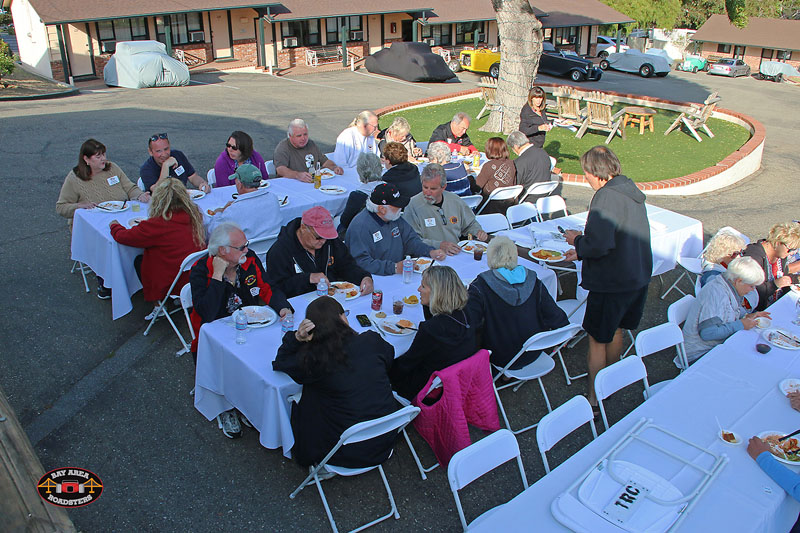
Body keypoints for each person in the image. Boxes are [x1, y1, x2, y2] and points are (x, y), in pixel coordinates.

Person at [563, 146, 652, 413]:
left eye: (586, 173)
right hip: (636, 276)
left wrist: (577, 240)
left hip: (612, 282)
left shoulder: (605, 197)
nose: (586, 179)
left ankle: (593, 395)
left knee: (597, 337)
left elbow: (601, 244)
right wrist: (582, 247)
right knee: (616, 330)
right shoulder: (630, 191)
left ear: (595, 173)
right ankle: (611, 383)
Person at [190, 223, 292, 438]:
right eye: (241, 247)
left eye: (246, 245)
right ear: (222, 251)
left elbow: (266, 287)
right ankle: (224, 407)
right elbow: (207, 313)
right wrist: (218, 276)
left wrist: (283, 307)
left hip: (249, 326)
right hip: (214, 336)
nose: (247, 250)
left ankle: (247, 403)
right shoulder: (200, 271)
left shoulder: (249, 260)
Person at [273, 296, 399, 468]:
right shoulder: (371, 340)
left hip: (344, 452)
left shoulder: (314, 360)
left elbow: (280, 362)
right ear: (341, 317)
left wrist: (296, 338)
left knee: (304, 398)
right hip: (386, 439)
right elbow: (389, 358)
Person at [56, 139, 150, 299]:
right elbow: (61, 207)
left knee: (140, 233)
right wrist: (79, 205)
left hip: (121, 215)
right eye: (98, 156)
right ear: (86, 159)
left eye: (104, 154)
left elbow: (130, 187)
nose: (103, 159)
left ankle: (138, 275)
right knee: (110, 241)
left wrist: (140, 195)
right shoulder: (75, 178)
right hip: (92, 225)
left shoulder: (112, 168)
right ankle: (106, 281)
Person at [465, 236, 568, 369]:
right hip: (534, 350)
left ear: (489, 257)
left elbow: (470, 324)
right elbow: (553, 313)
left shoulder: (480, 286)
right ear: (515, 255)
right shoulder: (532, 278)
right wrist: (564, 331)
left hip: (499, 356)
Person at [109, 179, 205, 311]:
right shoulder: (195, 214)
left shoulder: (158, 224)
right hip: (196, 274)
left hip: (171, 279)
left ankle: (159, 304)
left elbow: (123, 237)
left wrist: (114, 225)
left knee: (139, 260)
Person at [390, 266, 477, 400]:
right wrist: (429, 304)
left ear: (436, 293)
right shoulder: (466, 313)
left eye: (423, 286)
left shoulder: (431, 329)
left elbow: (406, 365)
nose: (419, 289)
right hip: (454, 380)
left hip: (423, 387)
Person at [267, 206, 374, 298]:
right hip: (300, 302)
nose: (323, 241)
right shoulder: (279, 251)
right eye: (318, 237)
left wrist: (363, 277)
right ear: (303, 228)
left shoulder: (331, 242)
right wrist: (308, 278)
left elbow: (347, 265)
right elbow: (276, 288)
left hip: (333, 298)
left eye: (327, 236)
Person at [682, 257, 770, 366]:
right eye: (751, 286)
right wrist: (740, 324)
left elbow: (726, 315)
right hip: (700, 353)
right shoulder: (716, 294)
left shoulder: (728, 287)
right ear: (739, 281)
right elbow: (707, 333)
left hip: (715, 346)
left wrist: (749, 316)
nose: (753, 290)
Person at [345, 183, 445, 275]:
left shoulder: (393, 217)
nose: (401, 208)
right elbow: (361, 262)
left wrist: (429, 251)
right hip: (376, 278)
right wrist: (394, 268)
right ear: (382, 209)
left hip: (397, 273)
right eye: (397, 206)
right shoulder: (360, 227)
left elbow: (410, 240)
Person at [403, 164, 487, 255]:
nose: (428, 192)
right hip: (429, 256)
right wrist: (439, 245)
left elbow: (470, 224)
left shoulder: (455, 201)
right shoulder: (413, 205)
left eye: (433, 189)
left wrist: (477, 232)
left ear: (443, 187)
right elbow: (411, 241)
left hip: (456, 253)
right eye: (425, 187)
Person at [206, 164, 282, 242]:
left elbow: (212, 233)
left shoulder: (234, 210)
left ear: (239, 184)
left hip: (247, 251)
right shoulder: (273, 198)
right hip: (273, 246)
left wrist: (219, 212)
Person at [743, 222, 800, 311]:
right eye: (790, 249)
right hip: (759, 311)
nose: (792, 253)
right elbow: (753, 292)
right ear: (777, 243)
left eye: (795, 250)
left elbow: (783, 276)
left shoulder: (780, 255)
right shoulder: (753, 257)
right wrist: (775, 284)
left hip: (778, 304)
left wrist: (797, 278)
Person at [273, 119, 343, 182]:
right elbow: (280, 170)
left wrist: (334, 167)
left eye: (305, 134)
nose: (303, 138)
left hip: (313, 182)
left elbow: (324, 161)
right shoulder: (283, 148)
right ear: (290, 136)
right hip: (292, 183)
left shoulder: (310, 144)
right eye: (299, 136)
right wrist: (297, 175)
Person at [140, 132, 210, 194]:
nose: (164, 154)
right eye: (158, 151)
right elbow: (158, 191)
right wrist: (165, 166)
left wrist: (202, 183)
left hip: (182, 198)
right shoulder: (146, 169)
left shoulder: (178, 155)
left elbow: (193, 177)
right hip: (160, 204)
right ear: (150, 152)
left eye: (166, 149)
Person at [338, 153, 385, 234]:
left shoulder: (358, 195)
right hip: (384, 229)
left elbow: (345, 221)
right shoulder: (389, 188)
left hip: (363, 233)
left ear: (360, 171)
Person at [507, 130, 554, 201]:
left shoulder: (520, 162)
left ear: (516, 147)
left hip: (528, 197)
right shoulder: (543, 152)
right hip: (544, 194)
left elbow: (515, 184)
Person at [474, 137, 517, 214]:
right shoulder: (511, 163)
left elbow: (477, 186)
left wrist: (470, 178)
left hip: (490, 206)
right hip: (508, 204)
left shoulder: (489, 166)